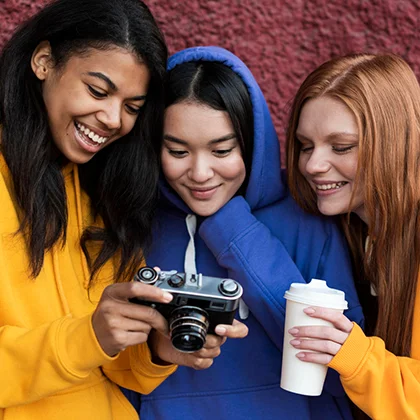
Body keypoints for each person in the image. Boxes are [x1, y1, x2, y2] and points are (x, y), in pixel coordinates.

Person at [0, 2, 243, 419]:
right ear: (43, 62)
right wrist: (86, 336)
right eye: (97, 90)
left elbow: (111, 364)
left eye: (132, 107)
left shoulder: (98, 189)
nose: (113, 119)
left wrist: (158, 350)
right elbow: (82, 343)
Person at [124, 46, 364, 420]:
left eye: (221, 150)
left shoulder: (308, 218)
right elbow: (118, 368)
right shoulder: (136, 222)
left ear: (252, 145)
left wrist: (233, 230)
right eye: (177, 151)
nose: (201, 173)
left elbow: (344, 373)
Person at [286, 53, 420, 419]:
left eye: (341, 147)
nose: (313, 165)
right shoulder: (348, 230)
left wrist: (355, 355)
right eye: (305, 145)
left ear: (396, 142)